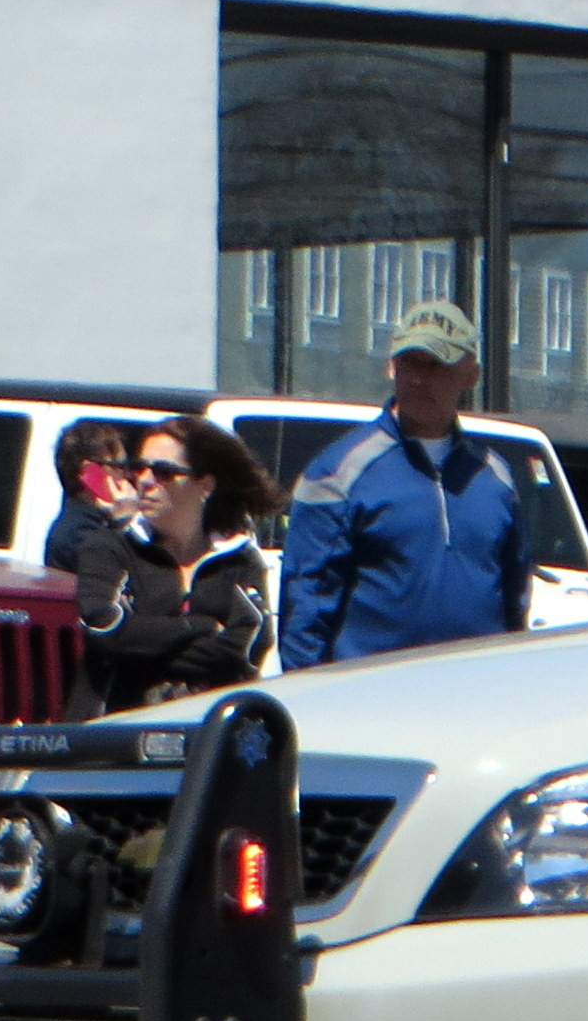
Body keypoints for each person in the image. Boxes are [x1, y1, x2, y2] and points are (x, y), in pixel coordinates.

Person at [279, 301, 529, 669]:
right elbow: (306, 605)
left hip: (477, 699)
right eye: (408, 362)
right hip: (373, 702)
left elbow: (515, 601)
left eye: (435, 364)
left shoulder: (495, 477)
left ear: (471, 375)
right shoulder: (339, 472)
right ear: (391, 366)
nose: (417, 378)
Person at [67, 415, 280, 717]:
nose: (144, 480)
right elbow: (107, 631)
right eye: (139, 468)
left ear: (205, 484)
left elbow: (244, 652)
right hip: (114, 738)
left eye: (164, 472)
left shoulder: (241, 560)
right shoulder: (109, 548)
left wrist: (142, 645)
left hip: (204, 739)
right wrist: (202, 626)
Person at [40, 417, 140, 574]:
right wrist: (122, 526)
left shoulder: (97, 523)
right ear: (90, 471)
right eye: (119, 466)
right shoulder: (77, 533)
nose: (127, 474)